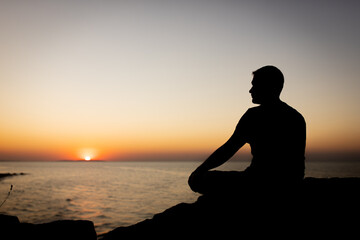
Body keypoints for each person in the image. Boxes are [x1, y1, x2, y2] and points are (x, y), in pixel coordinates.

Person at [188, 66, 306, 194]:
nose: (250, 90)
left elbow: (228, 149)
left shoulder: (254, 116)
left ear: (269, 87)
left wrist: (200, 170)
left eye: (255, 85)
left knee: (197, 180)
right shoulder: (296, 116)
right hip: (290, 183)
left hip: (257, 182)